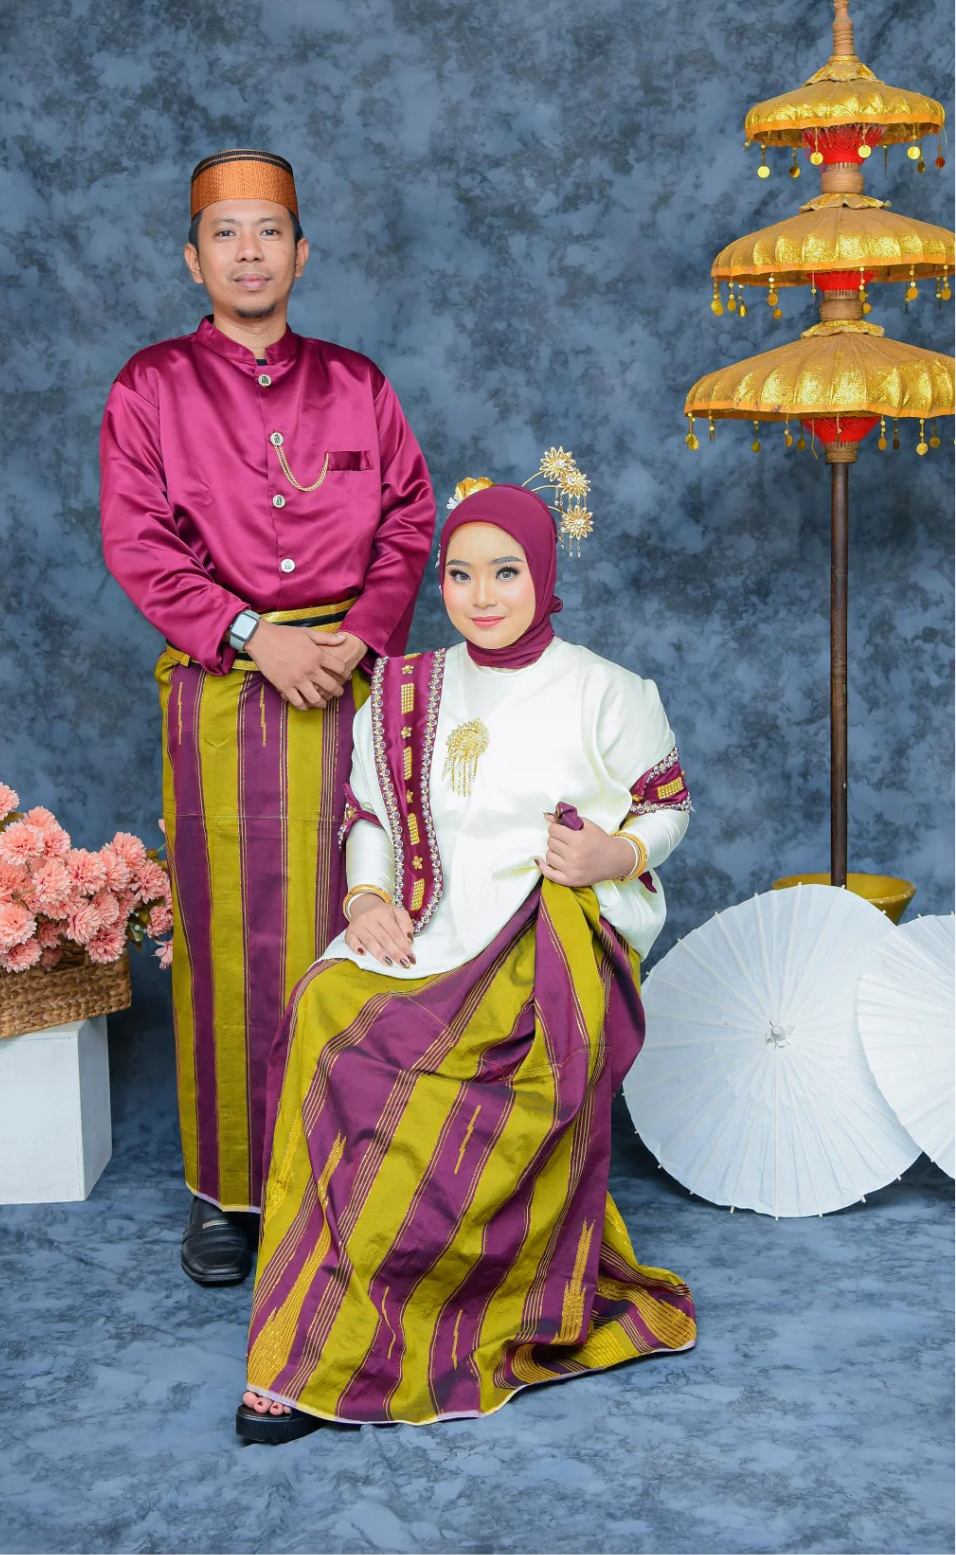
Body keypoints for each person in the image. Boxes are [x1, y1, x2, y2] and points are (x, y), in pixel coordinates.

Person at [236, 474, 695, 1442]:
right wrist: (366, 898)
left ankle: (400, 1321)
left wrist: (614, 854)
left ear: (545, 573)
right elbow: (366, 812)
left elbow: (666, 805)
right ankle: (318, 1316)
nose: (481, 595)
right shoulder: (404, 688)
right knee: (324, 1009)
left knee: (466, 1079)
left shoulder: (607, 690)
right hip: (425, 926)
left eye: (505, 571)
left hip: (543, 946)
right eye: (459, 573)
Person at [99, 149, 435, 1285]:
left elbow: (408, 520)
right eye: (226, 233)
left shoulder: (357, 383)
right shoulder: (149, 387)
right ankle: (226, 1189)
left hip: (352, 685)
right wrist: (254, 636)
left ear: (303, 253)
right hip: (224, 693)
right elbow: (139, 541)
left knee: (367, 915)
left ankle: (355, 1175)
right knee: (227, 942)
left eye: (270, 231)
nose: (250, 252)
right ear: (193, 260)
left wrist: (362, 634)